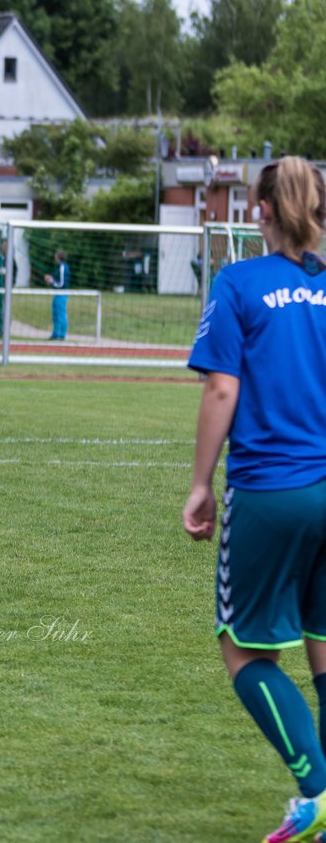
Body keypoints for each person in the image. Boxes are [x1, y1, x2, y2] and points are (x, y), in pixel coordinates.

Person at [183, 156, 326, 843]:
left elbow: (221, 390)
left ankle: (319, 791)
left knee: (245, 652)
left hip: (273, 488)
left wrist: (202, 484)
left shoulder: (239, 282)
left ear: (260, 210)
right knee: (324, 645)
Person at [44, 249, 70, 340]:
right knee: (55, 313)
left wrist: (52, 282)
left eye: (56, 255)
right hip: (57, 293)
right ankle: (55, 334)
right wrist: (51, 278)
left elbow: (62, 283)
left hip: (62, 293)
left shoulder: (63, 267)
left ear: (58, 257)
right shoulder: (59, 267)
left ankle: (62, 335)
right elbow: (57, 279)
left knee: (61, 314)